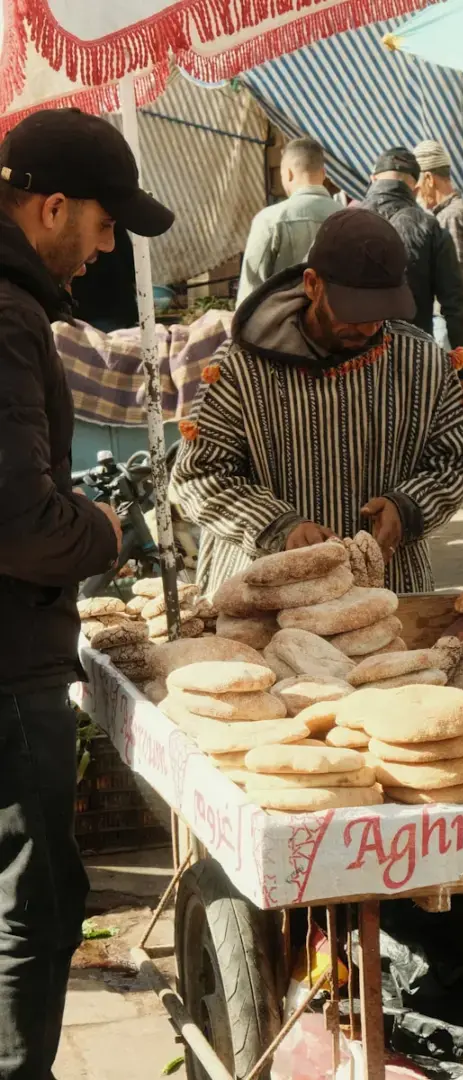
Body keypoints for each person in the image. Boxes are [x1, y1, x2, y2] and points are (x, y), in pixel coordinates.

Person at [0, 107, 173, 1079]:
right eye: (105, 225)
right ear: (52, 206)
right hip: (6, 668)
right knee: (33, 910)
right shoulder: (8, 313)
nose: (108, 248)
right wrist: (100, 531)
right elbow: (18, 524)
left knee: (41, 895)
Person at [173, 209, 463, 597]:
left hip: (389, 595)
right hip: (267, 598)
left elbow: (456, 461)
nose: (368, 327)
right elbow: (198, 475)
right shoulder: (241, 368)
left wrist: (408, 508)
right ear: (312, 284)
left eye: (379, 313)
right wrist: (279, 528)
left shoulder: (424, 363)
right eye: (353, 312)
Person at [360, 147, 463, 388]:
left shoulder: (343, 223)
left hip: (355, 367)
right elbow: (456, 304)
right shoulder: (430, 227)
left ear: (373, 180)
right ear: (415, 189)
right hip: (413, 365)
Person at [236, 136, 340, 304]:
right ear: (323, 174)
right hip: (338, 324)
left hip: (284, 324)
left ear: (289, 173)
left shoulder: (270, 220)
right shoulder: (349, 218)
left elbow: (251, 290)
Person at [413, 139, 463, 353]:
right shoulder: (451, 213)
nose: (416, 191)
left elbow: (453, 281)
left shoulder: (452, 216)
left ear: (428, 179)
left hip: (449, 323)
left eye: (418, 183)